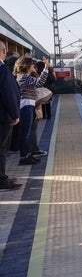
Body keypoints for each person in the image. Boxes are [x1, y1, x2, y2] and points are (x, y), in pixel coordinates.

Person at [13, 56, 49, 165]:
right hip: (26, 107)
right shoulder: (24, 77)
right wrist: (46, 68)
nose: (34, 66)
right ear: (28, 66)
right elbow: (39, 83)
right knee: (25, 134)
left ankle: (28, 155)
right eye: (32, 65)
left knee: (26, 133)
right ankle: (24, 157)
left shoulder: (24, 76)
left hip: (27, 106)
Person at [0, 42, 22, 189]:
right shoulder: (2, 70)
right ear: (3, 51)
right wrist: (15, 114)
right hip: (2, 117)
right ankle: (2, 180)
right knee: (1, 149)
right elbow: (8, 94)